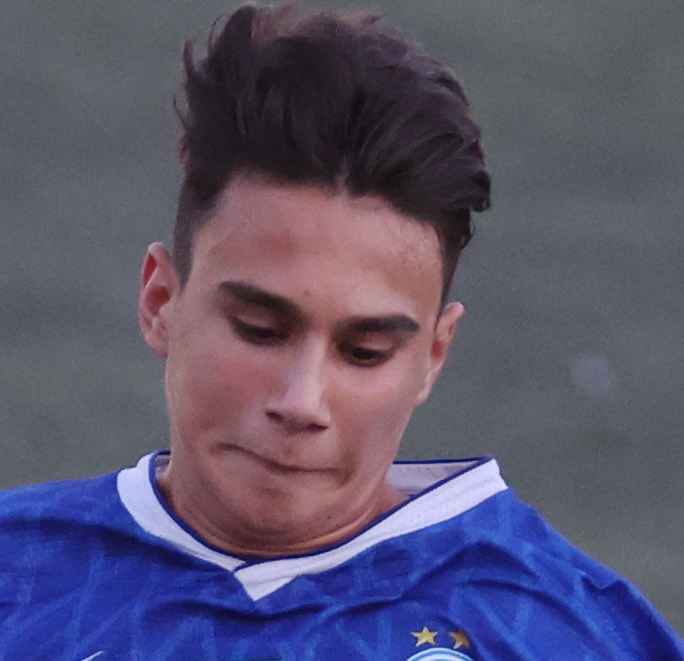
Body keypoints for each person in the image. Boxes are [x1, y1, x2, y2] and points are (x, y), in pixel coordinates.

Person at [0, 4, 682, 660]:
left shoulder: (560, 631)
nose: (302, 401)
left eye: (363, 352)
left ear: (432, 356)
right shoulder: (18, 576)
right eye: (259, 330)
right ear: (161, 302)